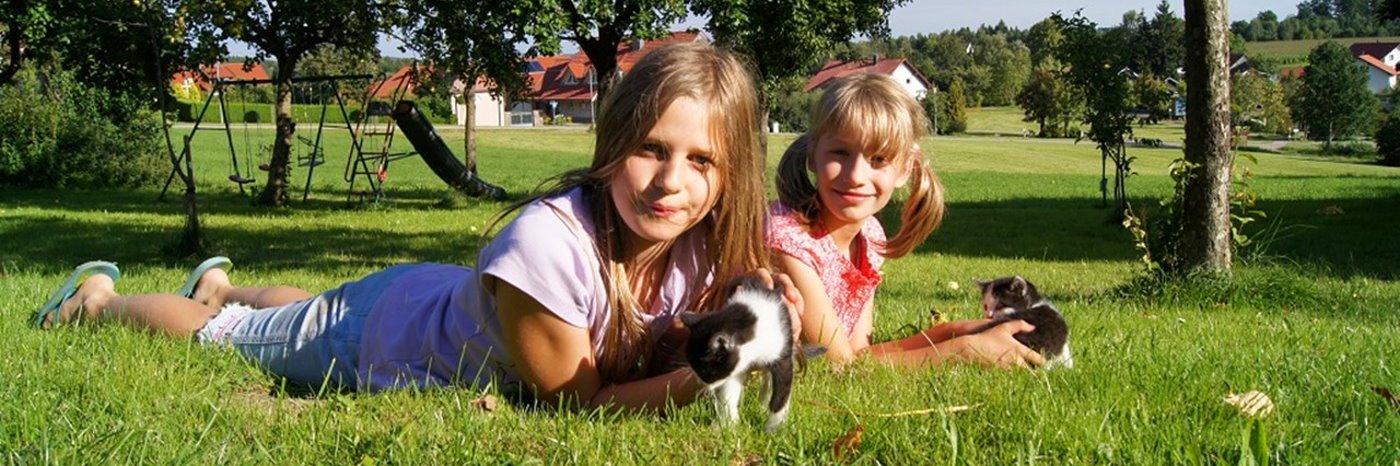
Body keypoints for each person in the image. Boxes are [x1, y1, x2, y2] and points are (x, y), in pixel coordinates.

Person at [32, 42, 799, 412]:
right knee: (228, 335)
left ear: (730, 175)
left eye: (702, 161)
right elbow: (584, 401)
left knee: (304, 306)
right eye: (650, 149)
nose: (672, 182)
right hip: (386, 336)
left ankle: (223, 281)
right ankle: (95, 302)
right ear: (610, 147)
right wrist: (714, 375)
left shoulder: (703, 245)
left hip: (433, 302)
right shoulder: (546, 246)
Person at [767, 72, 1042, 368]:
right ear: (813, 155)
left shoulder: (869, 236)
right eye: (840, 153)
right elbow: (836, 363)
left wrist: (956, 331)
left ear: (904, 170)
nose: (856, 176)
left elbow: (859, 351)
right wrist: (959, 351)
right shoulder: (788, 236)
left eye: (879, 159)